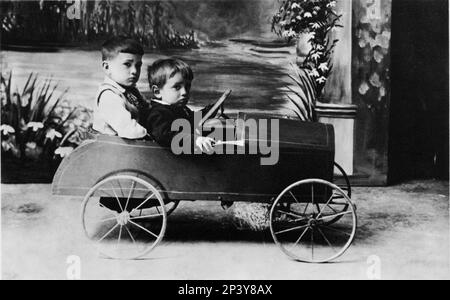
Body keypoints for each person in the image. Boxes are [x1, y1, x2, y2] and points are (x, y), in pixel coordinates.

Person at [145, 58, 215, 153]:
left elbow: (192, 121)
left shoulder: (179, 108)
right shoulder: (157, 114)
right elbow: (166, 135)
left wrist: (209, 111)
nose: (184, 92)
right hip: (168, 160)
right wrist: (195, 140)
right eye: (177, 87)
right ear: (157, 92)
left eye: (187, 87)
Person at [92, 36, 148, 139]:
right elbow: (129, 130)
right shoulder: (109, 96)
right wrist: (154, 136)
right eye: (127, 64)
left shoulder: (131, 90)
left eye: (138, 65)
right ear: (107, 67)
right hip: (111, 150)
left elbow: (147, 110)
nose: (134, 71)